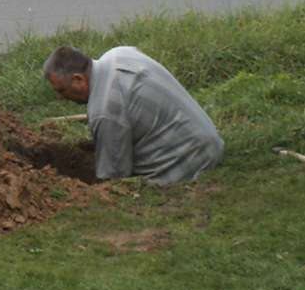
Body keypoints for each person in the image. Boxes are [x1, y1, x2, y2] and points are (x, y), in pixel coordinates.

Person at [42, 45, 224, 185]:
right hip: (208, 140)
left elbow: (114, 178)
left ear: (78, 79)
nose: (60, 98)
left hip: (193, 159)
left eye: (61, 90)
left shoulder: (104, 111)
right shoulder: (119, 53)